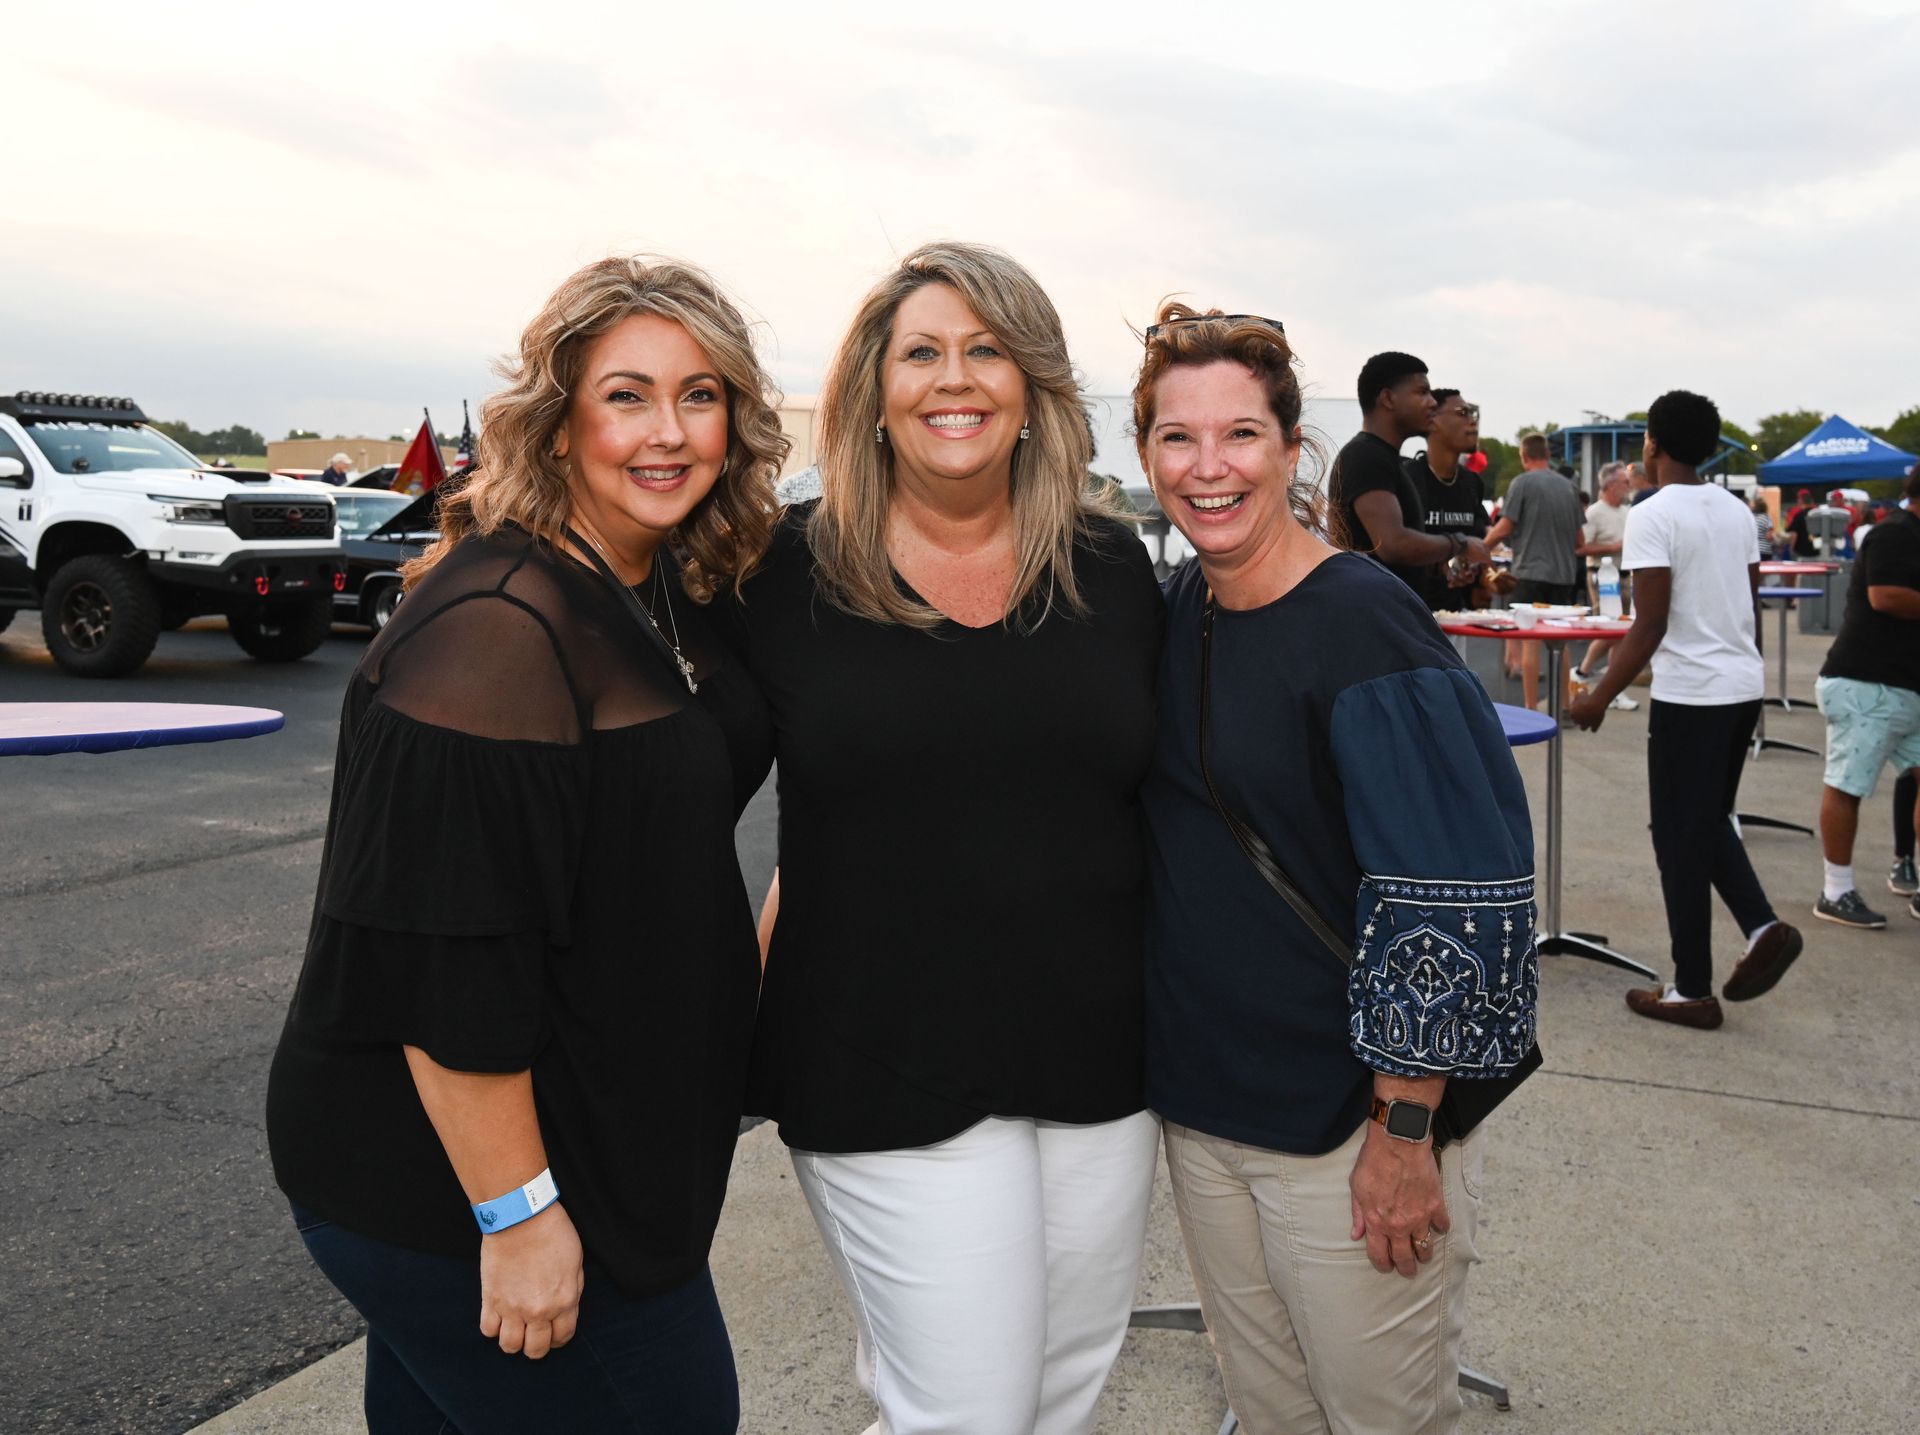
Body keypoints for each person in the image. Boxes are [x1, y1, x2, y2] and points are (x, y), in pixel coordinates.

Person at [265, 255, 787, 1432]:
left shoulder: (658, 588)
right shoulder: (498, 628)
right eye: (627, 395)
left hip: (608, 1146)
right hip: (465, 1180)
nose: (669, 432)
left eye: (701, 395)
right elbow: (445, 958)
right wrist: (517, 1214)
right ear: (557, 425)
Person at [727, 242, 1162, 1435]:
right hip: (878, 1052)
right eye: (921, 351)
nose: (953, 378)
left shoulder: (1114, 572)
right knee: (966, 1412)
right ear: (873, 388)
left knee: (1059, 1396)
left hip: (1095, 1058)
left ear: (1032, 390)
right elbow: (658, 789)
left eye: (986, 350)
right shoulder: (778, 575)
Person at [1134, 304, 1537, 1434]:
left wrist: (1405, 1134)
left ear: (1291, 447)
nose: (1208, 469)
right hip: (1208, 1111)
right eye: (1177, 439)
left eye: (1241, 436)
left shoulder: (1365, 623)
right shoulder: (1180, 613)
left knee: (1379, 1420)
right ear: (1147, 454)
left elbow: (1458, 891)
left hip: (1346, 1129)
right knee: (1269, 1415)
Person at [1568, 390, 1803, 1027]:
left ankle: (1695, 987)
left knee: (1678, 834)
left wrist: (1598, 696)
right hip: (1740, 684)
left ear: (1654, 443)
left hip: (1692, 694)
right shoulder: (1735, 510)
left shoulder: (1653, 512)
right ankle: (1755, 933)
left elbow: (1650, 622)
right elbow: (1749, 605)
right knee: (1701, 823)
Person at [1810, 465, 1920, 928]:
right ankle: (1835, 890)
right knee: (1847, 785)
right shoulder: (1895, 534)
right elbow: (1886, 596)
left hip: (1901, 686)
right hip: (1867, 684)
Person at [1329, 351, 1491, 607]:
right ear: (1388, 398)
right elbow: (1393, 545)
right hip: (1370, 620)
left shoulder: (1387, 459)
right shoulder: (1366, 456)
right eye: (1422, 392)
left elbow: (1392, 559)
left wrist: (1442, 568)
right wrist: (1459, 544)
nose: (1431, 403)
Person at [1485, 431, 1586, 711]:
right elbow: (1580, 541)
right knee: (1560, 641)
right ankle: (1564, 705)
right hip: (1564, 574)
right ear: (1548, 455)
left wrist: (1479, 548)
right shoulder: (1569, 488)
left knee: (1530, 641)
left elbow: (1505, 526)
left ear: (1524, 456)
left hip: (1530, 570)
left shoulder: (1522, 483)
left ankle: (1531, 709)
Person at [1401, 387, 1490, 610]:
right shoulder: (1406, 479)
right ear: (1432, 421)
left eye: (1473, 414)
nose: (1472, 422)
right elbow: (1395, 549)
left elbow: (1474, 543)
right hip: (1408, 612)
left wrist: (1477, 577)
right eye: (1462, 413)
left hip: (1455, 615)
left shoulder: (1472, 483)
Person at [1572, 462, 1638, 710]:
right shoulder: (1594, 513)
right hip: (1603, 575)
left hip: (1625, 574)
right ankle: (1584, 671)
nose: (1628, 486)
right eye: (1625, 482)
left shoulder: (1626, 511)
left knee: (1621, 633)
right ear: (1610, 485)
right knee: (1611, 630)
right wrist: (1611, 548)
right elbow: (1580, 547)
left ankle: (1612, 686)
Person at [1750, 493, 1780, 560]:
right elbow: (1769, 536)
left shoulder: (1751, 517)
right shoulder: (1766, 518)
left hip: (1754, 550)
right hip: (1765, 551)